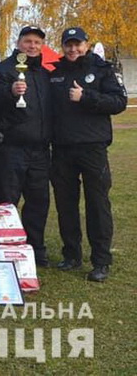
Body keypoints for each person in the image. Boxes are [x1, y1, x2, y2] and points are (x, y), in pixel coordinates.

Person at [49, 27, 127, 282]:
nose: (73, 49)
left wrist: (86, 97)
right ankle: (71, 255)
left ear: (87, 44)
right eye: (68, 45)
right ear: (63, 46)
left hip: (93, 148)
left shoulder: (102, 68)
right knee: (66, 205)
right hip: (62, 149)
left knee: (97, 204)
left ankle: (101, 261)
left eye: (77, 44)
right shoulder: (56, 72)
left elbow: (118, 103)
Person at [0, 26, 52, 266]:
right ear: (19, 42)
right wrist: (10, 92)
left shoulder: (44, 74)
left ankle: (35, 248)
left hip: (40, 151)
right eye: (27, 41)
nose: (32, 46)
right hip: (10, 149)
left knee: (38, 201)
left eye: (36, 42)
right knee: (6, 201)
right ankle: (4, 247)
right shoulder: (2, 70)